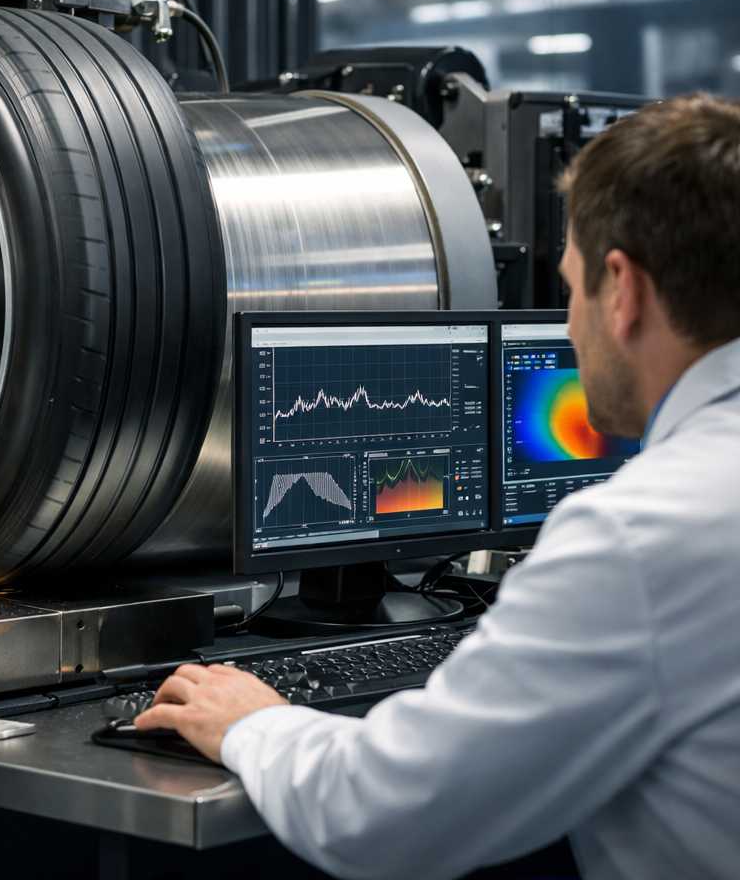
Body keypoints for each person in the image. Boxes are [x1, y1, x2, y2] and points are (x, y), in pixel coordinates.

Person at [136, 94, 740, 880]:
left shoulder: (640, 538)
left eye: (571, 291)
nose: (569, 330)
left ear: (621, 290)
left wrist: (253, 723)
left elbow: (382, 814)